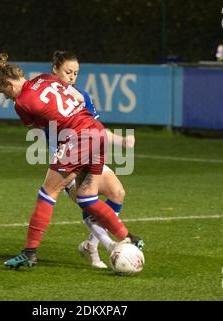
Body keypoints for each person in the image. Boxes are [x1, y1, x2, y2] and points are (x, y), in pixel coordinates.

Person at [0, 53, 144, 269]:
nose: (6, 96)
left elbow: (38, 130)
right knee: (86, 198)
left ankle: (29, 253)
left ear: (8, 83)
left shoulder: (21, 103)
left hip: (77, 139)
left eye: (3, 91)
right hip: (97, 133)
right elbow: (79, 98)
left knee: (47, 193)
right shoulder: (45, 78)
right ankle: (130, 237)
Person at [49, 50, 138, 269]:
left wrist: (122, 141)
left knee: (118, 193)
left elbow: (97, 129)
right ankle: (108, 245)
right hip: (67, 160)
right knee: (88, 204)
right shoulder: (48, 99)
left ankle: (90, 244)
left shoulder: (83, 97)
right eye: (68, 72)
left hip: (89, 154)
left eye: (76, 73)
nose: (72, 77)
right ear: (55, 70)